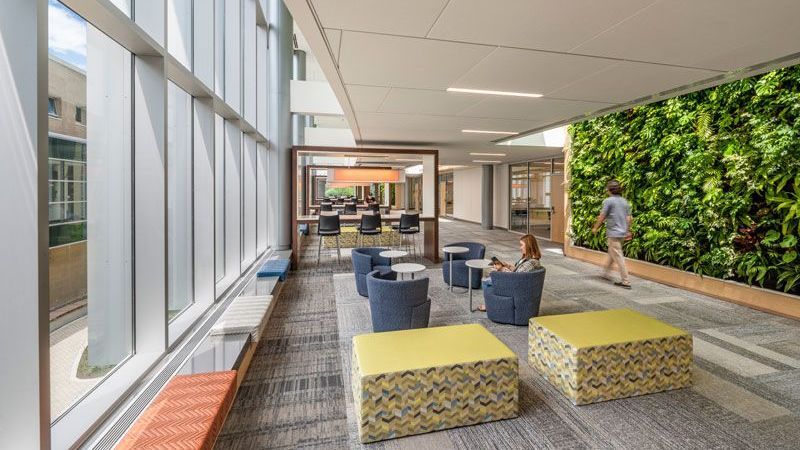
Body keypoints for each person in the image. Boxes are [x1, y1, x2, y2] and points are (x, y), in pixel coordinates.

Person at [477, 234, 542, 312]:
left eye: (522, 245)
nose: (520, 247)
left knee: (486, 281)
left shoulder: (531, 263)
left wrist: (501, 269)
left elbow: (516, 276)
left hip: (516, 287)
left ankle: (489, 306)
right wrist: (507, 265)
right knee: (489, 276)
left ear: (528, 246)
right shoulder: (529, 259)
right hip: (518, 282)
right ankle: (490, 304)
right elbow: (518, 270)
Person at [592, 179, 633, 289]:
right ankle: (605, 273)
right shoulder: (625, 201)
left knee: (618, 256)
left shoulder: (608, 201)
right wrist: (628, 230)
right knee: (612, 253)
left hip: (614, 233)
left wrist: (595, 227)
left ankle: (626, 281)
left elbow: (602, 216)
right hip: (622, 233)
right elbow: (629, 218)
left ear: (609, 190)